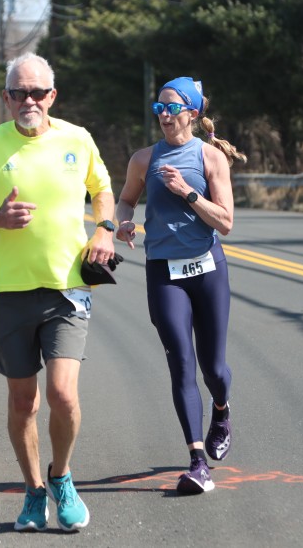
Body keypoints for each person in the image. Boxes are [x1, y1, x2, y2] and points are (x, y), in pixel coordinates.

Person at [0, 52, 117, 531]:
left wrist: (104, 229)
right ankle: (32, 490)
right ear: (6, 98)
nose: (29, 100)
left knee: (63, 395)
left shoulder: (77, 139)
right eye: (19, 92)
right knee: (24, 401)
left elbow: (103, 189)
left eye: (38, 92)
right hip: (11, 292)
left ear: (52, 96)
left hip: (68, 289)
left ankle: (61, 476)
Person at [115, 77, 247, 494]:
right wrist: (122, 222)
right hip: (163, 272)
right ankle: (197, 463)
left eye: (172, 108)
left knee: (214, 369)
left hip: (208, 270)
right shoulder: (143, 159)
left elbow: (225, 222)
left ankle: (221, 410)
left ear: (191, 113)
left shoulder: (210, 158)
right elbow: (126, 199)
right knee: (181, 363)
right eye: (159, 108)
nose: (164, 115)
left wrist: (188, 192)